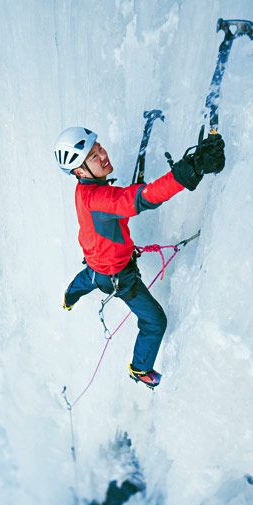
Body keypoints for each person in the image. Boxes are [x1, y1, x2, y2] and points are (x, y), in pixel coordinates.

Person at [54, 126, 225, 388]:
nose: (102, 155)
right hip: (119, 278)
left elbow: (118, 203)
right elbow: (140, 199)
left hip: (95, 266)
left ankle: (69, 297)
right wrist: (192, 168)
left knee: (85, 280)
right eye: (93, 157)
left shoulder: (84, 190)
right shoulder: (98, 199)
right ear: (79, 171)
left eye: (99, 147)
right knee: (155, 322)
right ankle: (139, 368)